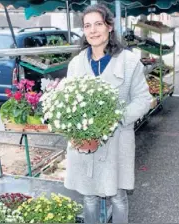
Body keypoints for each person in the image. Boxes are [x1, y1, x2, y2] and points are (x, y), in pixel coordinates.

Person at [64, 3, 152, 223]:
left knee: (118, 196)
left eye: (98, 24)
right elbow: (67, 102)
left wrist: (115, 119)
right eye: (87, 26)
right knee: (89, 197)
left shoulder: (129, 61)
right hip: (85, 143)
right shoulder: (76, 64)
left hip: (117, 140)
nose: (93, 30)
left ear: (109, 26)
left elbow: (143, 99)